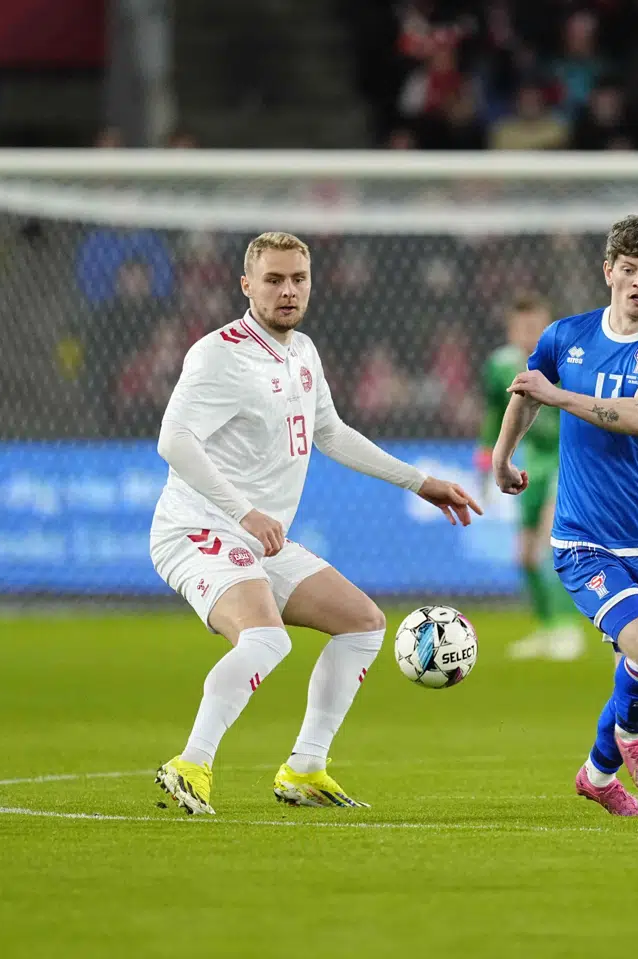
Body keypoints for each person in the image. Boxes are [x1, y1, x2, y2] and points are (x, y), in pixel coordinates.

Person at [150, 231, 480, 815]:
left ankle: (305, 768)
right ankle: (191, 763)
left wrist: (419, 481)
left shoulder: (301, 350)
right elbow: (173, 440)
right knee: (266, 638)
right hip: (198, 530)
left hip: (258, 538)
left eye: (297, 279)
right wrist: (244, 512)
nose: (287, 291)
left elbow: (329, 432)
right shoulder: (219, 353)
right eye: (273, 280)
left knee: (363, 624)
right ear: (246, 285)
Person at [492, 215, 638, 817]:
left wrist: (557, 396)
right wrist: (504, 459)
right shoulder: (567, 336)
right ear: (608, 271)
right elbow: (526, 391)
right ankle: (633, 739)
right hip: (584, 538)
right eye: (629, 270)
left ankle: (597, 772)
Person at [477, 292, 586, 660]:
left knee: (549, 546)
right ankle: (546, 627)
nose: (531, 333)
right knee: (524, 555)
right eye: (524, 327)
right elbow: (494, 413)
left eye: (537, 326)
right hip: (531, 464)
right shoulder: (498, 365)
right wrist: (487, 454)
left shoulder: (565, 362)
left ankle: (568, 629)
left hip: (567, 462)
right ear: (511, 329)